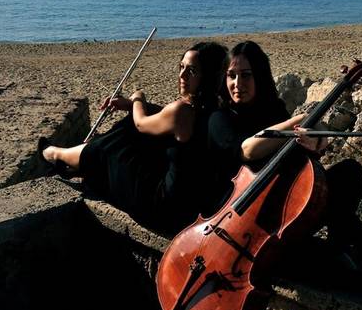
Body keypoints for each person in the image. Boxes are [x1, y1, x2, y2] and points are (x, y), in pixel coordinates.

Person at [206, 41, 362, 284]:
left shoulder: (273, 112)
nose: (237, 84)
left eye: (246, 75)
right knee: (341, 275)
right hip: (244, 231)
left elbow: (299, 159)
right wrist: (302, 119)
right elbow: (248, 150)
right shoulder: (220, 118)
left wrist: (316, 143)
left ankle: (345, 246)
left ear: (260, 77)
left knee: (349, 171)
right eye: (231, 76)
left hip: (283, 214)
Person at [41, 41, 227, 235]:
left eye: (192, 71)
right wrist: (131, 105)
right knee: (123, 137)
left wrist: (138, 97)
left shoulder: (182, 111)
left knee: (114, 147)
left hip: (165, 209)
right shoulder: (216, 108)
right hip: (190, 206)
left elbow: (142, 123)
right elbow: (164, 117)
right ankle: (78, 163)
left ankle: (57, 155)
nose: (182, 75)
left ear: (208, 76)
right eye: (181, 67)